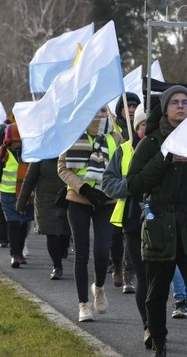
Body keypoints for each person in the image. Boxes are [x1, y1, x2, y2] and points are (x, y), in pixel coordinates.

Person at [127, 85, 187, 357]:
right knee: (156, 293)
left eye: (186, 102)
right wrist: (166, 158)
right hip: (160, 226)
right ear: (165, 108)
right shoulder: (150, 142)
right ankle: (159, 343)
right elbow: (134, 184)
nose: (181, 106)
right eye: (175, 102)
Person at [58, 106, 123, 323]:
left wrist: (110, 189)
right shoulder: (73, 134)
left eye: (103, 111)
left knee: (103, 251)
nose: (98, 114)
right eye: (94, 109)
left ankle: (99, 287)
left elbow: (124, 167)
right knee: (82, 253)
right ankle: (83, 304)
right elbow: (62, 168)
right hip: (79, 199)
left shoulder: (116, 136)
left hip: (107, 200)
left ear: (108, 114)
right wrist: (84, 188)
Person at [0, 124, 34, 268]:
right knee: (13, 224)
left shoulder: (29, 153)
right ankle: (15, 255)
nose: (16, 144)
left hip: (25, 195)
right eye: (14, 141)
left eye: (18, 141)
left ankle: (19, 250)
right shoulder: (3, 153)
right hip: (7, 195)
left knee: (24, 223)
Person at [17, 156, 71, 280]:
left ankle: (64, 248)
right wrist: (21, 202)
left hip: (66, 199)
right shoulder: (40, 156)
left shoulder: (69, 151)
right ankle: (57, 266)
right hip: (45, 202)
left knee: (65, 233)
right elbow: (29, 180)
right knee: (51, 233)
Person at [110, 92, 140, 289]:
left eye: (134, 106)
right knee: (114, 237)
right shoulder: (113, 130)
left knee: (131, 234)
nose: (130, 110)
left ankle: (129, 272)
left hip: (131, 193)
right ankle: (116, 266)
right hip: (113, 191)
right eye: (127, 106)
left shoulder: (140, 131)